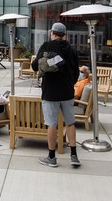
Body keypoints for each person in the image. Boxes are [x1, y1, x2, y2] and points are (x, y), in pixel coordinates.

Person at [32, 22, 81, 167]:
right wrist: (70, 83)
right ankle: (74, 156)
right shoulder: (72, 49)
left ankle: (52, 157)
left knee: (51, 124)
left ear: (52, 33)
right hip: (67, 91)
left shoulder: (46, 46)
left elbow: (35, 66)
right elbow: (76, 71)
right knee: (70, 122)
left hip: (50, 92)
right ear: (64, 34)